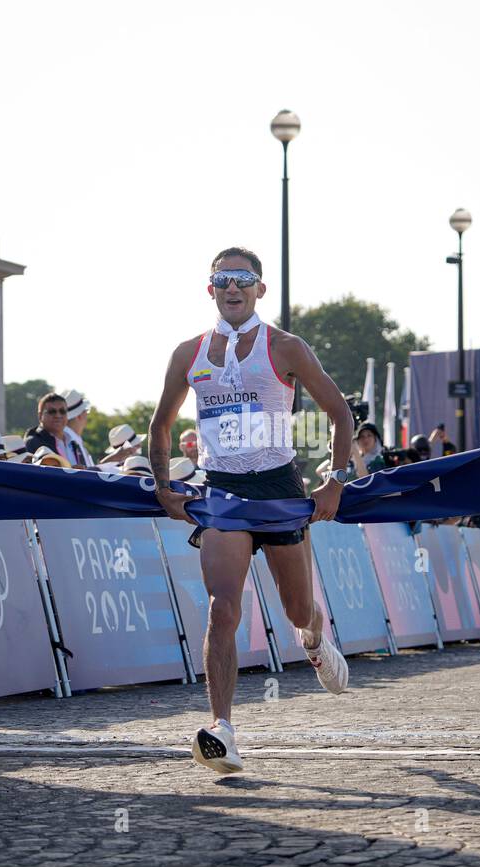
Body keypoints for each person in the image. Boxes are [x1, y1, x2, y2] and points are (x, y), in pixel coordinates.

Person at [149, 247, 356, 774]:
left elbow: (339, 412)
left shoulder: (285, 347)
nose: (232, 287)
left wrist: (334, 480)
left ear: (260, 289)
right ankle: (223, 728)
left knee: (295, 609)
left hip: (280, 490)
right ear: (210, 288)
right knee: (223, 607)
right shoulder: (188, 353)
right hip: (222, 494)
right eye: (222, 278)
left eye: (243, 278)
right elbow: (161, 425)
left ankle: (312, 639)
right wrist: (163, 486)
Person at [23, 392, 70, 457]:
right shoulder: (32, 443)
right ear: (40, 416)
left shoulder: (74, 443)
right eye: (52, 411)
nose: (58, 415)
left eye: (62, 411)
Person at [61, 388, 93, 468]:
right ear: (79, 416)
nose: (87, 414)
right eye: (86, 410)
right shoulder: (68, 441)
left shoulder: (74, 440)